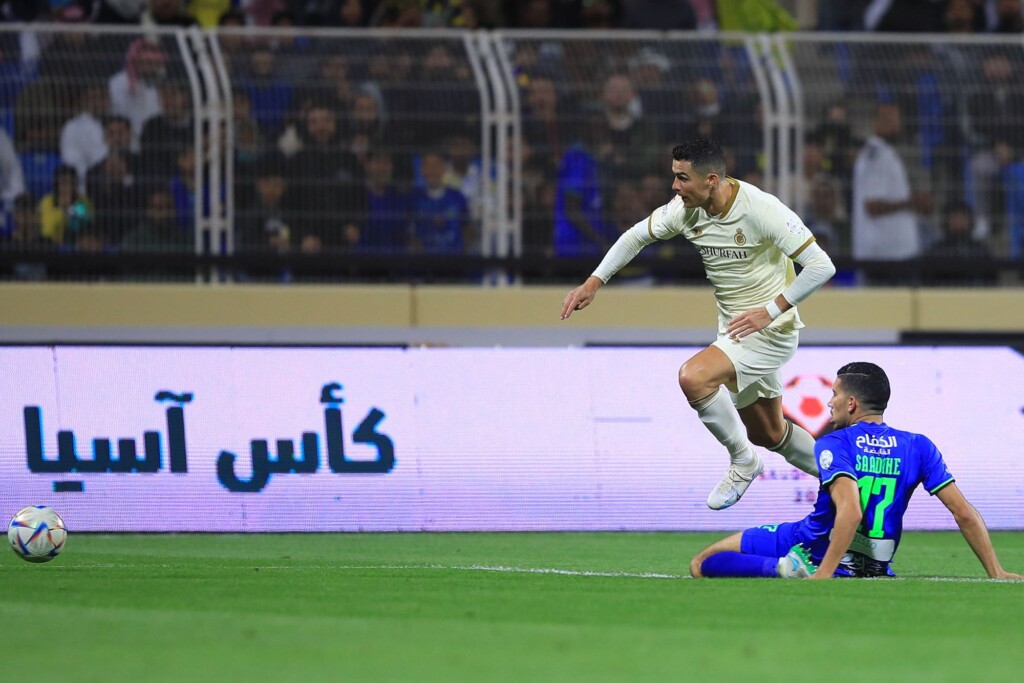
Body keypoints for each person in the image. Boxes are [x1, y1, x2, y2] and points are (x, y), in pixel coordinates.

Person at [560, 137, 836, 510]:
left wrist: (770, 311)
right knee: (769, 433)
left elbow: (822, 266)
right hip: (734, 329)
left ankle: (742, 462)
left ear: (711, 180)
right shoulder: (684, 210)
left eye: (682, 179)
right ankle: (845, 479)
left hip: (770, 329)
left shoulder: (763, 210)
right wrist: (595, 281)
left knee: (694, 377)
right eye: (674, 177)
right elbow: (635, 237)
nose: (675, 187)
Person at [690, 362, 1023, 581]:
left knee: (703, 563)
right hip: (873, 566)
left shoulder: (835, 443)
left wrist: (823, 574)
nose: (828, 402)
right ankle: (800, 568)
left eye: (833, 394)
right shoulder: (918, 446)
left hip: (811, 546)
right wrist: (996, 571)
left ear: (851, 403)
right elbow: (963, 512)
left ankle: (785, 569)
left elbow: (850, 511)